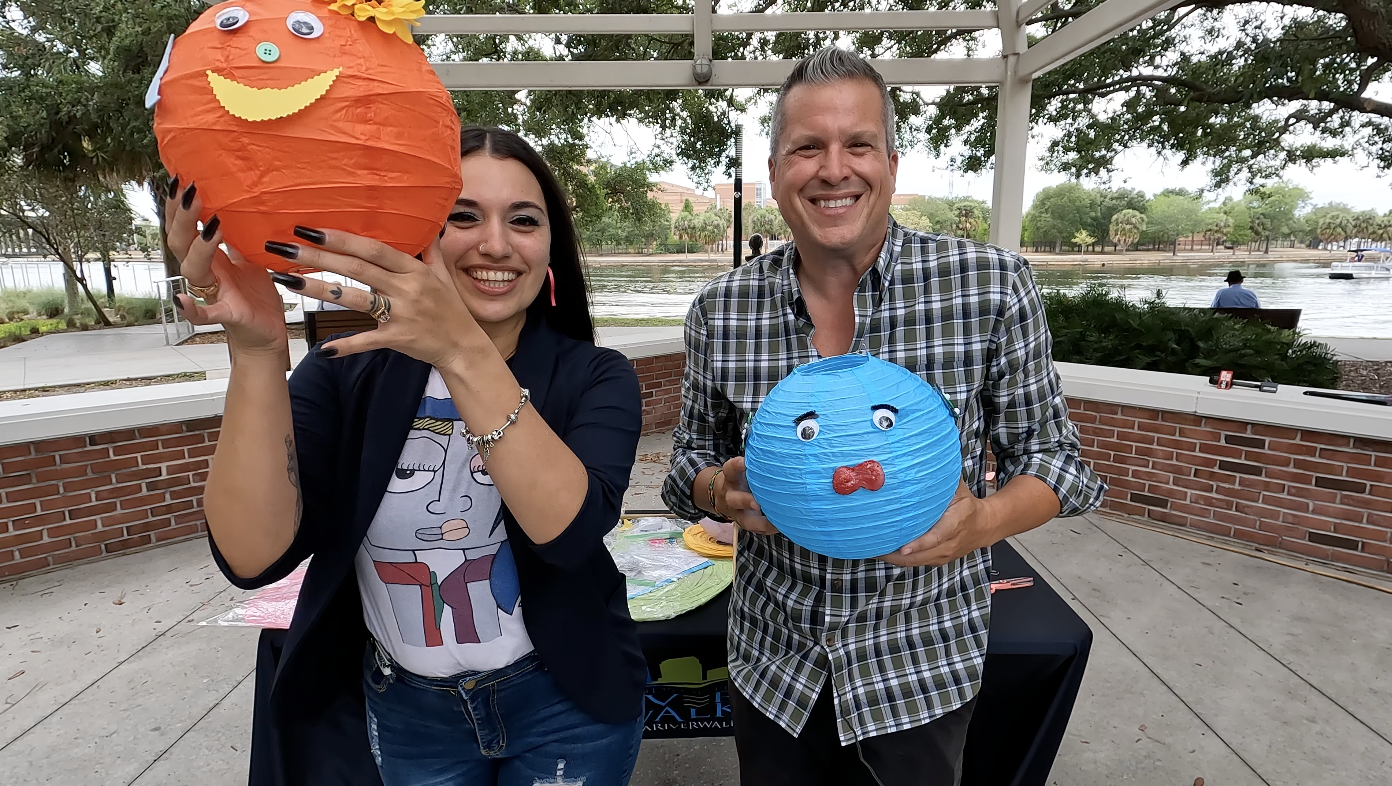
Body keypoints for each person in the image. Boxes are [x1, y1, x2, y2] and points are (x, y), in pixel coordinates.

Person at [661, 47, 1105, 786]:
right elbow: (686, 468)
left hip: (919, 666)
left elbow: (1059, 462)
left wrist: (983, 523)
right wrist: (721, 492)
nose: (834, 168)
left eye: (858, 144)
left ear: (891, 164)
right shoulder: (722, 309)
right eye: (808, 147)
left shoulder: (989, 288)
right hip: (776, 667)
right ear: (776, 172)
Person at [168, 126, 647, 786]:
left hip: (567, 703)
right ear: (416, 232)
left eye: (524, 220)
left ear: (550, 250)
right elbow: (252, 557)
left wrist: (461, 349)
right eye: (462, 217)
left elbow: (566, 535)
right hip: (409, 713)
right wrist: (256, 352)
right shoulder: (346, 375)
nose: (496, 244)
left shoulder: (597, 377)